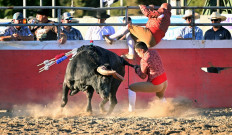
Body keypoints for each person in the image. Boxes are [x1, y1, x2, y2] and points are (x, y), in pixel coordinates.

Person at [103, 3, 172, 49]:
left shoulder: (163, 10)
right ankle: (131, 54)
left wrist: (142, 6)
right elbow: (153, 19)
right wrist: (152, 10)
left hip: (150, 35)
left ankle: (111, 38)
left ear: (164, 7)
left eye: (160, 7)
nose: (159, 8)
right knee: (130, 34)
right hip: (154, 42)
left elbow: (147, 14)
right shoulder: (168, 17)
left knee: (129, 26)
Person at [128, 42, 168, 111]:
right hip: (164, 82)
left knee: (131, 88)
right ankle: (168, 109)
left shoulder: (144, 60)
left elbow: (142, 76)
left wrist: (136, 69)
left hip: (157, 84)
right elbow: (152, 66)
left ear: (142, 50)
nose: (138, 54)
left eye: (137, 52)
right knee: (160, 96)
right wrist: (140, 68)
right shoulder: (155, 52)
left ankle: (131, 110)